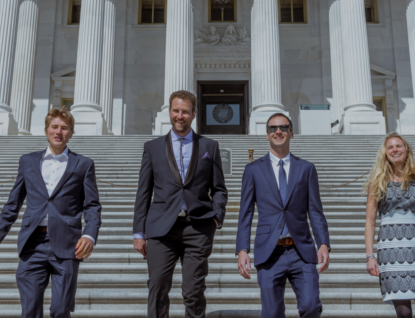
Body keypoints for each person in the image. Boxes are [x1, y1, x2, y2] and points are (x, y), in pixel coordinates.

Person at [0, 107, 102, 318]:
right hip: (33, 244)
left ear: (71, 132)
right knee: (29, 311)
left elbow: (92, 205)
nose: (59, 132)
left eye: (64, 128)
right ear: (47, 130)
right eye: (54, 127)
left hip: (68, 246)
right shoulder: (27, 161)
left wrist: (89, 234)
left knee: (60, 310)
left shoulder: (83, 164)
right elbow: (13, 202)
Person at [132, 90, 227, 318]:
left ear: (194, 114)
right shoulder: (152, 148)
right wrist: (138, 232)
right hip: (161, 228)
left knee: (194, 291)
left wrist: (216, 217)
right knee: (157, 286)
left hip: (198, 227)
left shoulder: (209, 146)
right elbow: (143, 192)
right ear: (169, 112)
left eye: (185, 111)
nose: (180, 116)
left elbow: (219, 188)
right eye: (176, 111)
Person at [236, 113, 330, 318]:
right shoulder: (253, 170)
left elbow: (315, 210)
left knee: (311, 306)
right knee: (272, 313)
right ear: (267, 135)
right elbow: (245, 213)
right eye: (273, 128)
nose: (278, 131)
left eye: (283, 127)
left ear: (291, 133)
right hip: (269, 252)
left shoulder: (306, 169)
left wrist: (323, 243)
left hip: (301, 252)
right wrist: (242, 249)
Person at [363, 133, 415, 318]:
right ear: (385, 153)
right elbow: (370, 221)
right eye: (390, 147)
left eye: (399, 146)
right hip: (391, 253)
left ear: (407, 151)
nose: (395, 150)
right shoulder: (377, 184)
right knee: (403, 313)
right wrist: (370, 256)